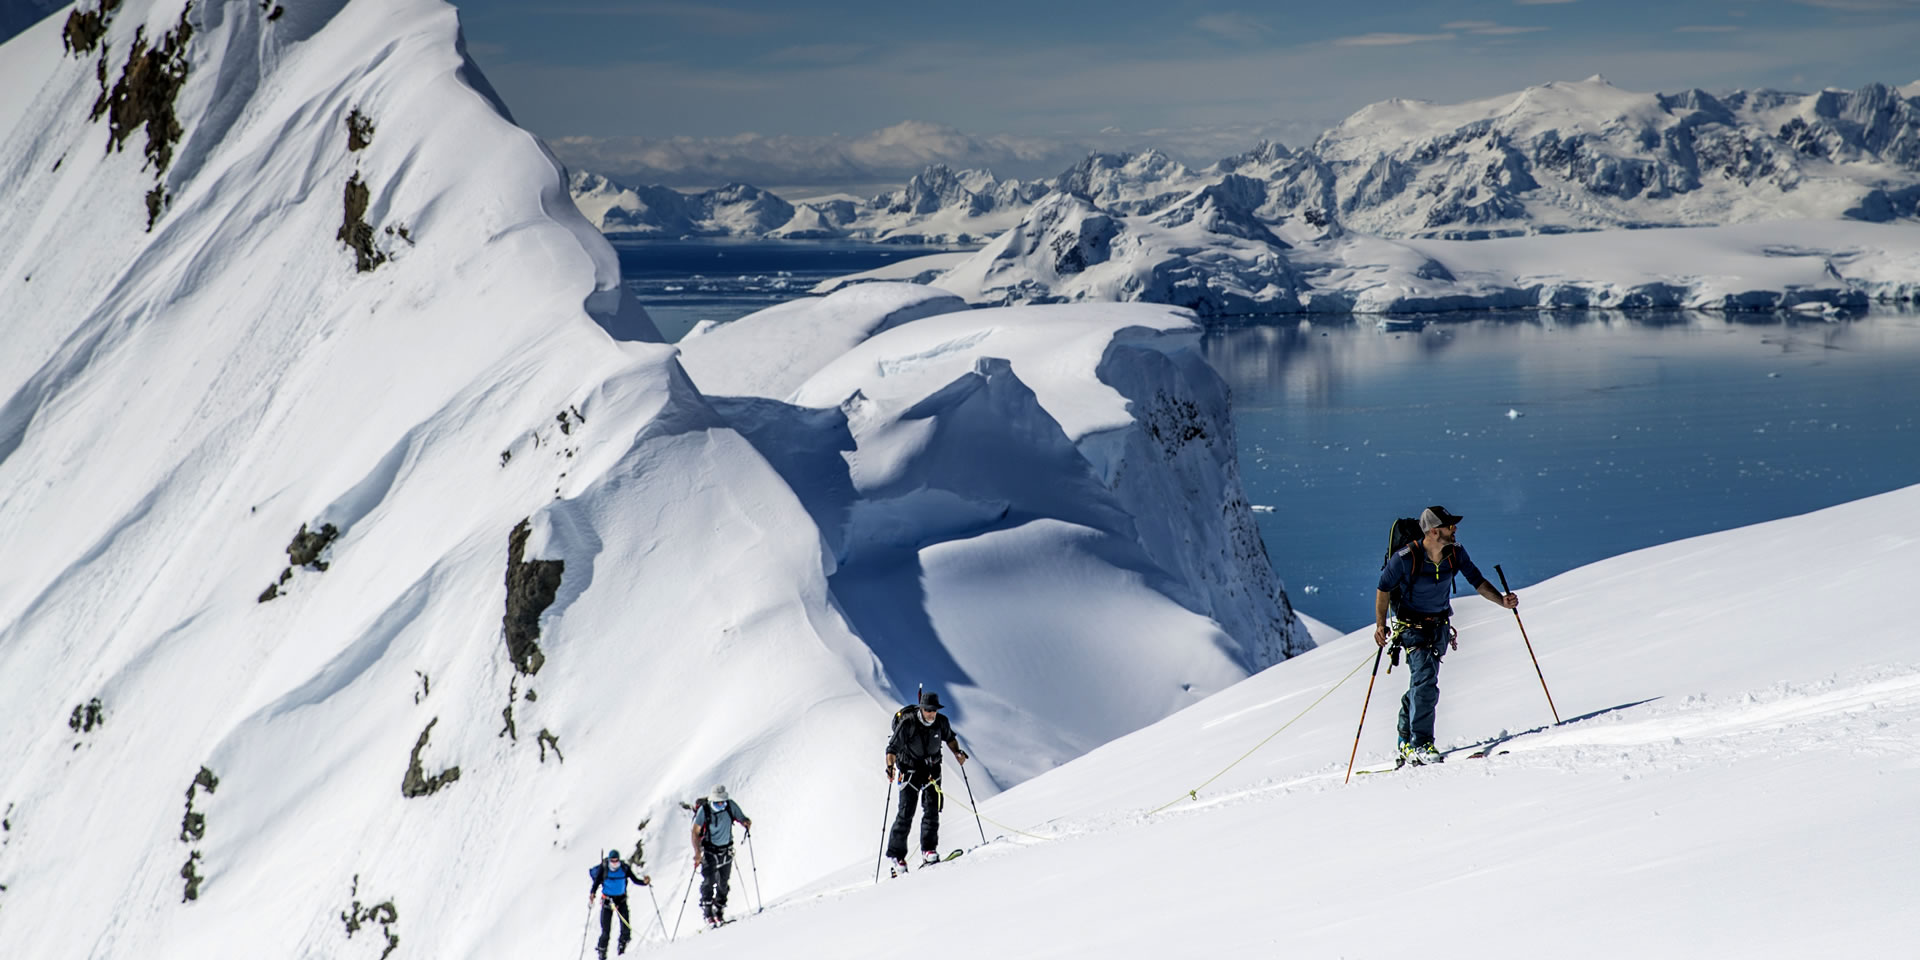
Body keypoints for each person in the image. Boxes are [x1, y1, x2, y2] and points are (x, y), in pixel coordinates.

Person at [1373, 505, 1519, 766]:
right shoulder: (1405, 557)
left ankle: (1405, 739)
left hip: (1439, 627)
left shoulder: (1456, 553)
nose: (1455, 529)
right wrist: (1380, 625)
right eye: (1450, 526)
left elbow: (1477, 581)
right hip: (1412, 629)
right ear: (1433, 531)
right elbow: (1383, 588)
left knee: (1422, 683)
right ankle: (1421, 744)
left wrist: (1502, 601)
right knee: (1425, 682)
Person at [884, 690, 968, 873]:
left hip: (932, 770)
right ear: (921, 708)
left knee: (932, 810)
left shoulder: (941, 722)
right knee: (906, 812)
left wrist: (957, 752)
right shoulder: (908, 723)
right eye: (928, 710)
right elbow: (891, 749)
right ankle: (897, 857)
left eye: (934, 710)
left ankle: (929, 850)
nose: (931, 713)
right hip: (910, 771)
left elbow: (950, 738)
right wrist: (890, 767)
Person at [690, 784, 751, 926]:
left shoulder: (730, 806)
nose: (720, 804)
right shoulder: (705, 810)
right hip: (709, 851)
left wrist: (745, 822)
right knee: (709, 881)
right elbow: (695, 832)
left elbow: (741, 817)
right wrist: (697, 852)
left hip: (726, 850)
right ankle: (707, 912)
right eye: (717, 802)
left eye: (722, 801)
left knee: (723, 882)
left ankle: (719, 910)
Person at [586, 849, 649, 959]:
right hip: (607, 901)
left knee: (626, 929)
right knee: (605, 931)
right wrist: (592, 893)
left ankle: (622, 950)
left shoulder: (624, 868)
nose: (614, 863)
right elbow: (596, 883)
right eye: (612, 861)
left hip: (621, 900)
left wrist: (644, 882)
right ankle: (602, 953)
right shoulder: (604, 868)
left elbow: (634, 880)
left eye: (616, 861)